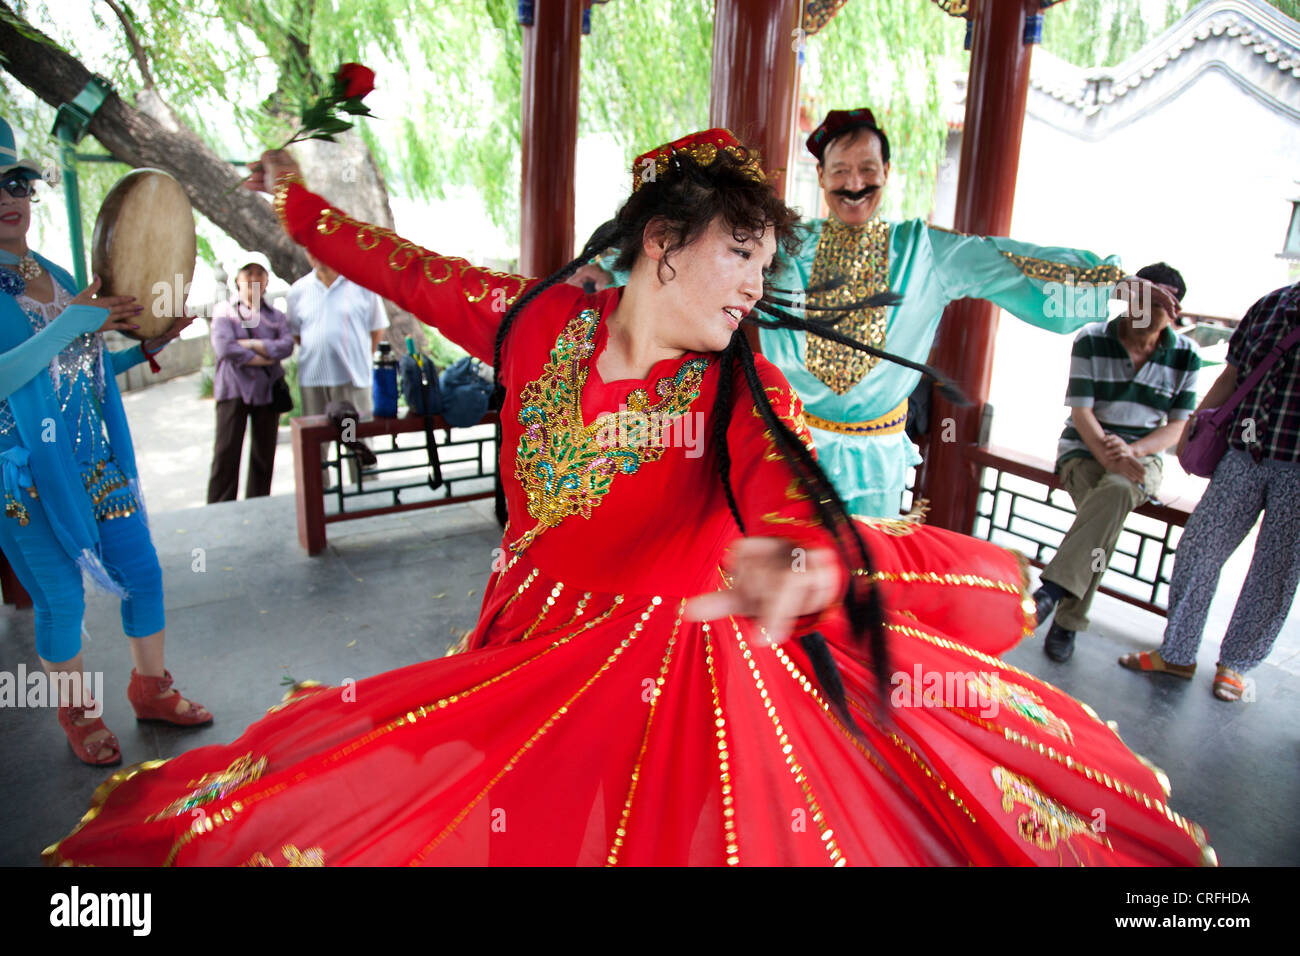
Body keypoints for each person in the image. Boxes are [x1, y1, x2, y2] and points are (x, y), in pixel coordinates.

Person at [43, 131, 1212, 866]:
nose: (759, 285)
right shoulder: (539, 318)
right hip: (523, 645)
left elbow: (785, 484)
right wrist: (298, 208)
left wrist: (801, 560)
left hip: (675, 677)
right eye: (741, 255)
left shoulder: (733, 389)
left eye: (767, 263)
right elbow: (398, 265)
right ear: (662, 244)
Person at [579, 109, 1181, 518]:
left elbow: (1012, 263)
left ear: (886, 175)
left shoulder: (928, 251)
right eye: (840, 171)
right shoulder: (786, 246)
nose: (854, 183)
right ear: (821, 178)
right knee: (770, 580)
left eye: (867, 170)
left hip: (875, 453)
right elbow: (700, 245)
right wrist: (609, 267)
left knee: (856, 587)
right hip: (786, 442)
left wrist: (1112, 288)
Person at [0, 117, 210, 767]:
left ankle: (150, 689)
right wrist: (73, 324)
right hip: (28, 476)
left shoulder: (56, 274)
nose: (9, 199)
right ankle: (79, 714)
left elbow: (85, 371)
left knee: (143, 573)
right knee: (60, 598)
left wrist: (149, 344)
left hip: (95, 463)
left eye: (17, 183)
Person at [1120, 280, 1300, 702]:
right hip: (1243, 452)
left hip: (1297, 469)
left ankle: (1235, 665)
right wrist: (1194, 424)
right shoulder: (1272, 304)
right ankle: (1177, 653)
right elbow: (1233, 374)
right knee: (1199, 548)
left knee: (1274, 571)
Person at [1032, 263, 1201, 662]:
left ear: (1172, 313)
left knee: (1117, 492)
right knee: (1107, 509)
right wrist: (1108, 450)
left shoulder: (1186, 356)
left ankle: (1051, 594)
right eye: (1140, 299)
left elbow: (1177, 426)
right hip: (1085, 445)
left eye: (1158, 304)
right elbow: (1081, 412)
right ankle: (1066, 622)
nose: (1145, 311)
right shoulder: (1092, 339)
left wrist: (1135, 451)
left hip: (1143, 453)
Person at [285, 249, 388, 482]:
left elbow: (377, 329)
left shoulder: (360, 285)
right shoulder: (298, 290)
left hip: (351, 381)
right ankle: (320, 497)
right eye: (311, 250)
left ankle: (366, 494)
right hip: (314, 382)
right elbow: (296, 334)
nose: (318, 254)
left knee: (354, 437)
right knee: (316, 441)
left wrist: (357, 355)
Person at [206, 253, 294, 503]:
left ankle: (258, 503)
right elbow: (225, 348)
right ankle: (219, 509)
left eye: (259, 273)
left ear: (267, 280)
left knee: (264, 454)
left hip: (267, 391)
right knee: (226, 453)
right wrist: (264, 356)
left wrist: (250, 343)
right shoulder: (224, 311)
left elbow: (286, 346)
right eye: (248, 273)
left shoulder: (276, 315)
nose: (254, 278)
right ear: (237, 278)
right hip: (234, 389)